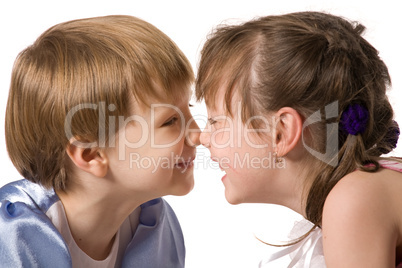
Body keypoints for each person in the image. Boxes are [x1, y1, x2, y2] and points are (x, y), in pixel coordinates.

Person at [196, 11, 401, 267]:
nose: (201, 137)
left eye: (216, 121)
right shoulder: (361, 192)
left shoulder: (354, 201)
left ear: (281, 131)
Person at [0, 15, 200, 267]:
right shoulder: (13, 237)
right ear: (91, 154)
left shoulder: (154, 223)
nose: (198, 134)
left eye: (189, 108)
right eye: (170, 121)